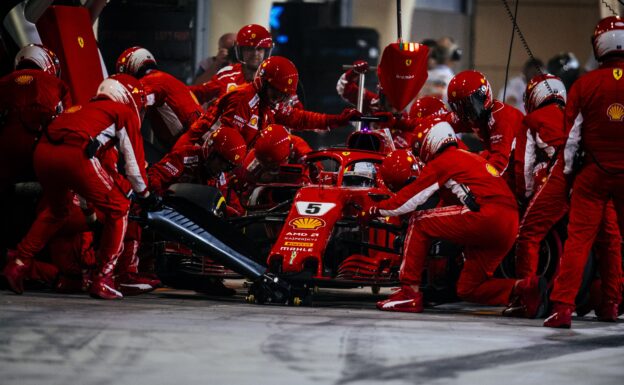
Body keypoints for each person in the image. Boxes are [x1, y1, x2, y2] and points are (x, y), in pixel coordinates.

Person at [361, 118, 545, 316]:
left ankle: (409, 292)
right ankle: (525, 290)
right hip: (509, 222)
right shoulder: (470, 158)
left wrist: (374, 209)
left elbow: (408, 200)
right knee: (468, 288)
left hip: (486, 215)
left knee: (419, 221)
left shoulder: (444, 160)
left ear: (430, 143)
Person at [2, 74, 157, 300]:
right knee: (120, 207)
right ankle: (103, 278)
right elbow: (133, 168)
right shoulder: (121, 112)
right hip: (75, 153)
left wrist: (88, 211)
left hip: (43, 154)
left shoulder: (79, 108)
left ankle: (18, 263)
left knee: (57, 211)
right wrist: (146, 195)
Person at [544, 16, 624, 328]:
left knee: (579, 241)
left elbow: (572, 140)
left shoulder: (585, 85)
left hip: (593, 175)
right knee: (614, 243)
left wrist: (566, 177)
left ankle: (563, 309)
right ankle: (611, 304)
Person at [175, 56, 360, 149]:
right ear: (262, 83)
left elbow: (299, 118)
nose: (279, 99)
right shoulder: (243, 99)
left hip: (226, 158)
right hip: (202, 155)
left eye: (283, 96)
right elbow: (228, 146)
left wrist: (337, 120)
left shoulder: (268, 102)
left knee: (294, 145)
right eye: (276, 93)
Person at [0, 44, 71, 193]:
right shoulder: (58, 85)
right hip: (41, 149)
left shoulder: (3, 83)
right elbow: (66, 121)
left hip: (7, 150)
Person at [447, 70, 526, 198]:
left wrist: (476, 186)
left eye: (469, 105)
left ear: (483, 95)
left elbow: (499, 162)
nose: (465, 113)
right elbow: (442, 121)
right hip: (505, 164)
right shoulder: (473, 116)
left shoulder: (502, 118)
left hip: (518, 174)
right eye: (460, 107)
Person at [116, 46, 203, 149]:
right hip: (200, 138)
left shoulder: (149, 82)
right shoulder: (166, 78)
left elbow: (134, 102)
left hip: (190, 145)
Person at [190, 25, 273, 106]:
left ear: (266, 52)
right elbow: (194, 93)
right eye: (249, 49)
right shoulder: (226, 75)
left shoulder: (275, 76)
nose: (255, 54)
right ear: (240, 51)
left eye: (259, 49)